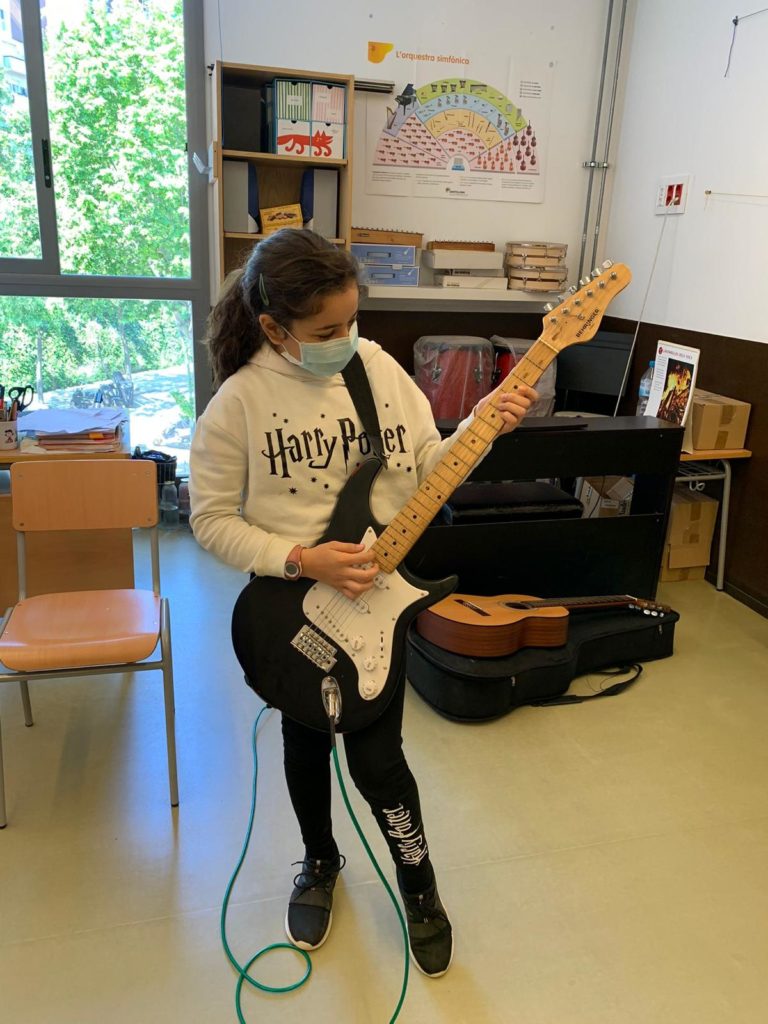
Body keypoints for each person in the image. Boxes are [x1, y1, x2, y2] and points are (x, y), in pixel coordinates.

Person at [189, 228, 537, 978]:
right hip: (291, 610)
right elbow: (210, 520)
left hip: (378, 604)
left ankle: (420, 887)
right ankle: (319, 861)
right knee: (304, 745)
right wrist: (299, 557)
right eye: (325, 331)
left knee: (380, 762)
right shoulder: (238, 402)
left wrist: (481, 428)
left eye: (352, 320)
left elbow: (428, 463)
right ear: (273, 328)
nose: (346, 340)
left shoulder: (375, 366)